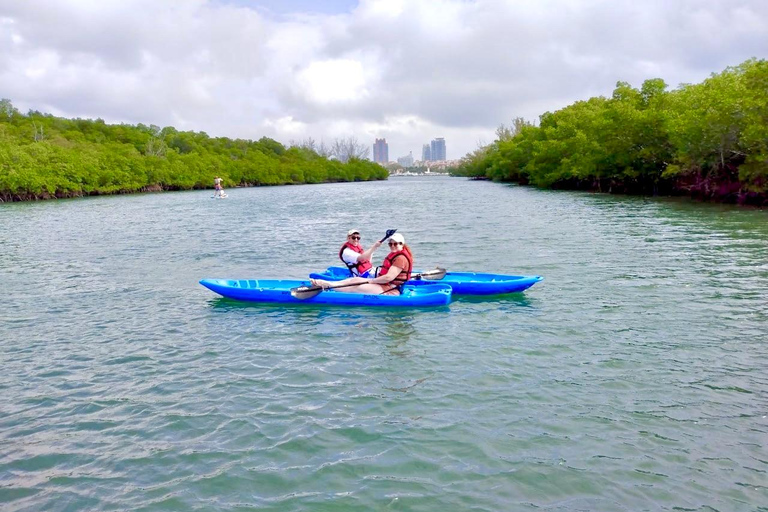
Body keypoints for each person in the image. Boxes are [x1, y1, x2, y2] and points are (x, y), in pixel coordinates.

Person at [311, 232, 413, 295]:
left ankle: (328, 286)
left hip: (392, 289)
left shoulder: (400, 258)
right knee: (355, 279)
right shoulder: (398, 255)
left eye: (395, 244)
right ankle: (331, 284)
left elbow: (388, 278)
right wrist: (371, 280)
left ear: (402, 244)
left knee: (357, 287)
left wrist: (371, 281)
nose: (392, 246)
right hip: (386, 285)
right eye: (390, 244)